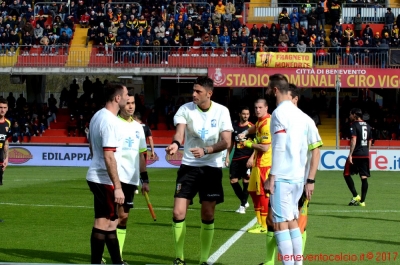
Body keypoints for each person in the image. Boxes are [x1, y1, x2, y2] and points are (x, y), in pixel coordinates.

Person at [165, 76, 233, 265]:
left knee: (208, 214)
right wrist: (175, 144)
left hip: (211, 167)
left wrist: (206, 150)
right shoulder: (185, 109)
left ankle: (204, 260)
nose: (194, 94)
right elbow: (180, 131)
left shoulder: (222, 111)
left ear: (209, 94)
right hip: (189, 166)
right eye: (193, 91)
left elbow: (226, 141)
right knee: (178, 213)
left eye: (198, 92)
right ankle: (179, 257)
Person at [259, 84, 322, 265]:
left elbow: (278, 147)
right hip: (297, 179)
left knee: (279, 224)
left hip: (283, 177)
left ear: (278, 90)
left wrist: (272, 177)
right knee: (292, 221)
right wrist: (310, 179)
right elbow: (316, 149)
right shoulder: (306, 118)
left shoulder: (280, 113)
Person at [86, 82, 129, 265]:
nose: (128, 99)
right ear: (117, 98)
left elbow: (91, 145)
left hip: (99, 176)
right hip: (103, 178)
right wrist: (118, 187)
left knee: (112, 223)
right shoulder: (110, 121)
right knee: (102, 223)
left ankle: (117, 262)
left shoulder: (98, 116)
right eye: (126, 95)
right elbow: (109, 156)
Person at [116, 92, 150, 263]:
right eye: (127, 103)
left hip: (131, 178)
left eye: (133, 103)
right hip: (115, 178)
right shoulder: (113, 123)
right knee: (112, 218)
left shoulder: (139, 127)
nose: (130, 106)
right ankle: (106, 256)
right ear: (120, 104)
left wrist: (145, 180)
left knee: (124, 218)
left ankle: (118, 256)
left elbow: (141, 155)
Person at [239, 100, 272, 234]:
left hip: (265, 164)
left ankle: (264, 225)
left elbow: (265, 147)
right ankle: (259, 222)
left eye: (260, 107)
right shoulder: (260, 122)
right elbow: (254, 128)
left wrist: (247, 144)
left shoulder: (267, 124)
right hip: (257, 164)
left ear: (266, 108)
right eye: (256, 107)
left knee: (263, 194)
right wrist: (245, 132)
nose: (257, 110)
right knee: (252, 191)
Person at [225, 106, 253, 214]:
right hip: (236, 157)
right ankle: (244, 200)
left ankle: (242, 206)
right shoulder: (234, 127)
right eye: (244, 114)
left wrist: (252, 158)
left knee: (246, 181)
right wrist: (227, 155)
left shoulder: (251, 127)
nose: (246, 116)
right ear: (240, 114)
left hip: (247, 158)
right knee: (233, 180)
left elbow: (257, 143)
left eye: (247, 114)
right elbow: (232, 142)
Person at [344, 108, 371, 207]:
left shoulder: (354, 125)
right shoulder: (368, 125)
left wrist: (350, 154)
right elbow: (369, 141)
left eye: (350, 114)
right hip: (365, 154)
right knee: (364, 177)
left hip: (356, 154)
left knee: (346, 174)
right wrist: (366, 151)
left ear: (355, 115)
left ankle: (355, 195)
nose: (350, 116)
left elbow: (353, 140)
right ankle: (362, 201)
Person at [0, 98, 10, 186]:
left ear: (7, 108)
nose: (2, 110)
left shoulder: (8, 123)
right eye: (0, 107)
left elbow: (5, 141)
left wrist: (6, 158)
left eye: (4, 107)